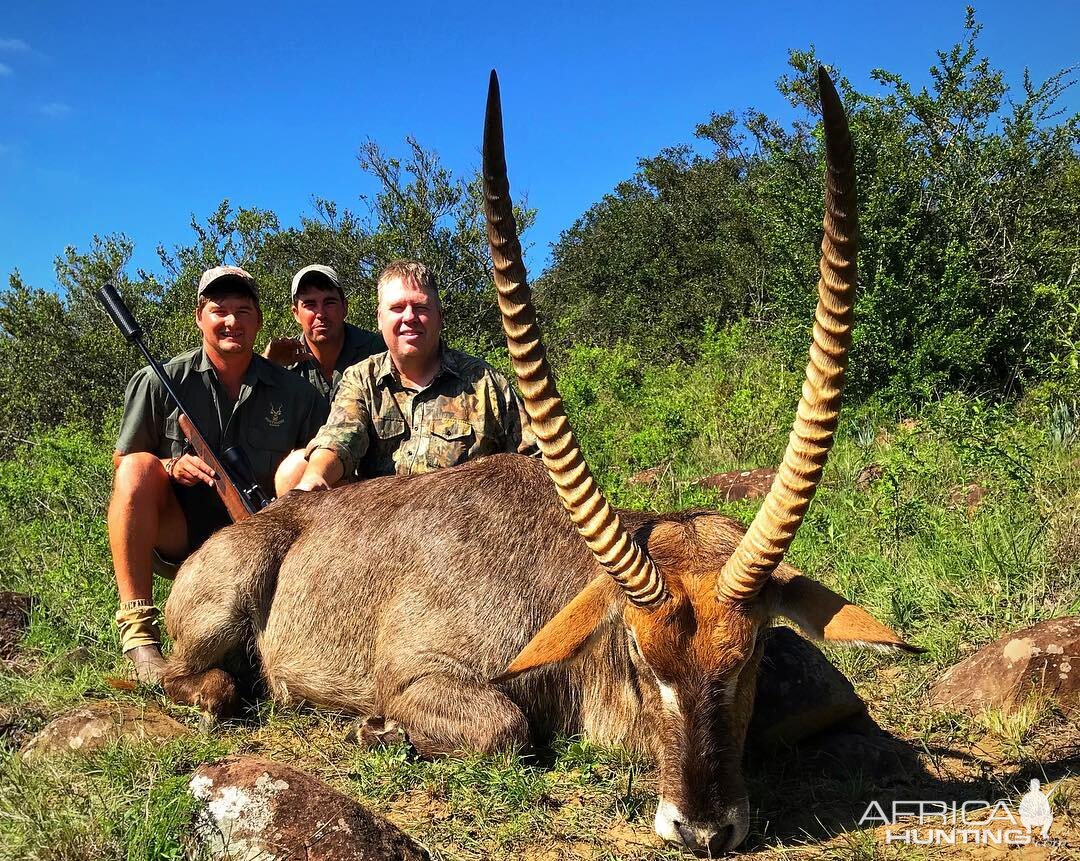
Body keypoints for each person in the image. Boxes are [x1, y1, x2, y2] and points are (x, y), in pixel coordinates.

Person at [108, 265, 328, 683]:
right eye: (219, 310)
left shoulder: (296, 393)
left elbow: (323, 461)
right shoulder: (160, 382)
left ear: (259, 320)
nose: (232, 322)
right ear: (199, 317)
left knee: (304, 463)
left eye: (243, 311)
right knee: (138, 467)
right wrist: (170, 466)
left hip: (262, 538)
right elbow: (123, 463)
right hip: (182, 535)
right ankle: (139, 636)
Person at [292, 260, 535, 490]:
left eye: (420, 307)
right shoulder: (362, 378)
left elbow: (532, 461)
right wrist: (316, 476)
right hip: (381, 524)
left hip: (464, 526)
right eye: (397, 308)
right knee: (292, 472)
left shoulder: (486, 382)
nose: (409, 317)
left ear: (440, 317)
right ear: (380, 318)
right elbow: (339, 438)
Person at [262, 264, 384, 405]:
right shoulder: (282, 360)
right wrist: (265, 367)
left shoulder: (377, 350)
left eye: (329, 302)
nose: (321, 314)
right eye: (310, 304)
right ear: (296, 313)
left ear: (345, 308)